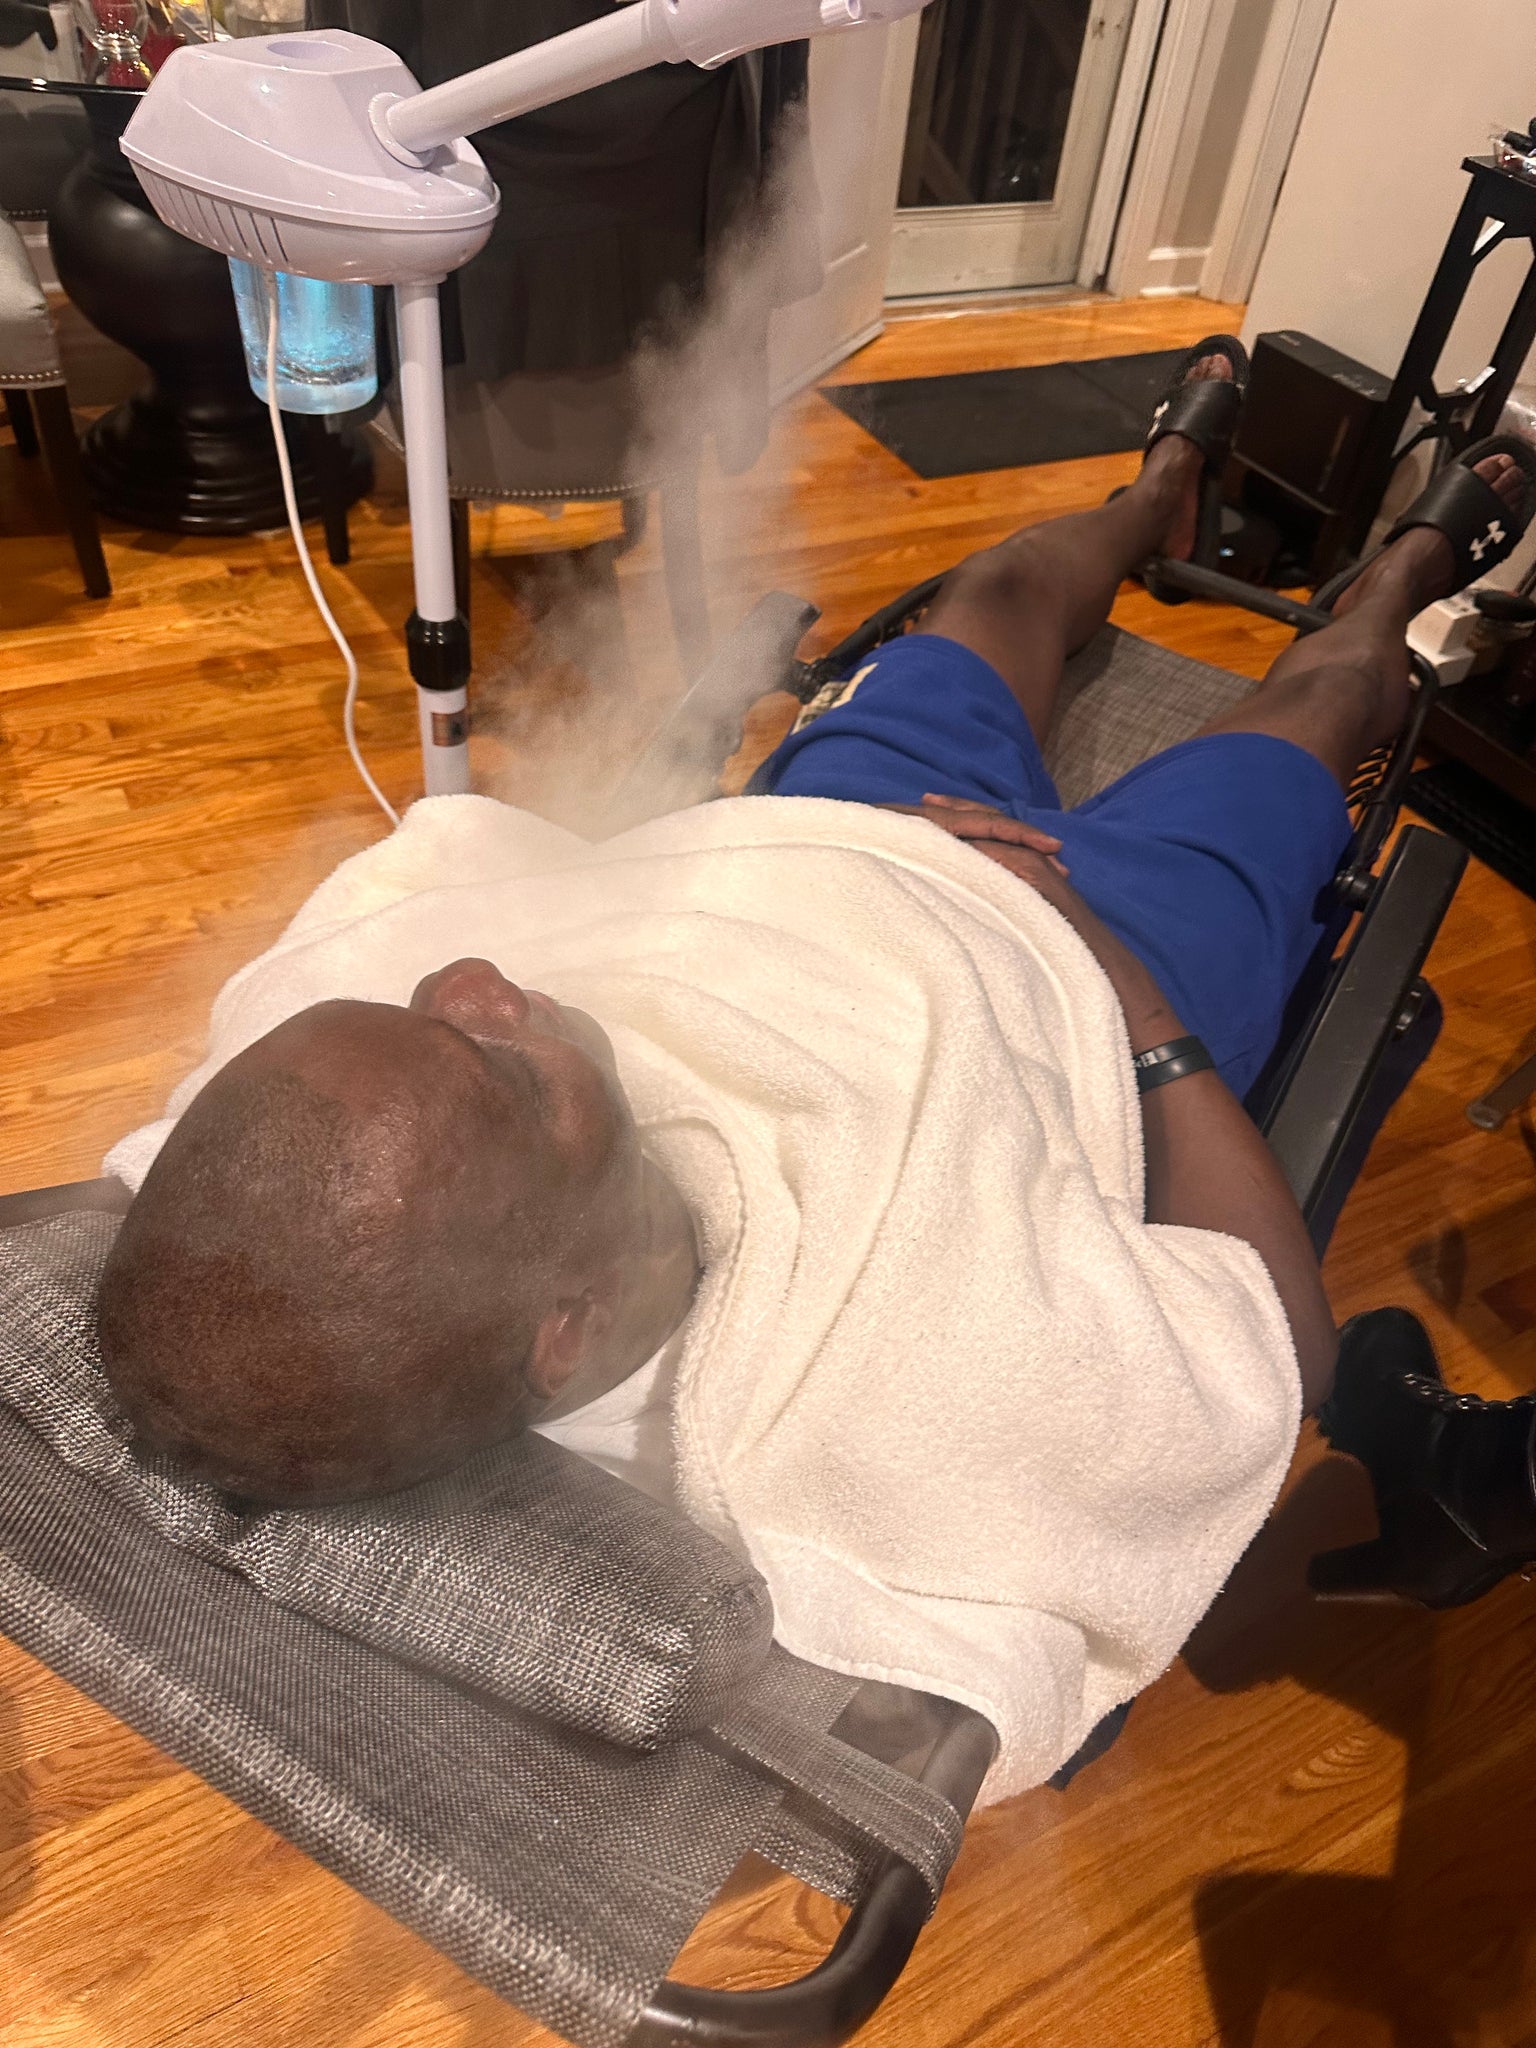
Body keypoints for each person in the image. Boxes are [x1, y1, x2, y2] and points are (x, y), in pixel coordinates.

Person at [94, 345, 1534, 1794]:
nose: (477, 980)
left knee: (996, 590)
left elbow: (200, 1204)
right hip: (1082, 962)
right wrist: (1120, 975)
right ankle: (1409, 570)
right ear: (566, 1333)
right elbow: (1279, 1351)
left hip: (823, 839)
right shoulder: (899, 1386)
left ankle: (1162, 488)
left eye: (425, 1006)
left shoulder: (321, 1238)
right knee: (1323, 701)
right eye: (502, 1069)